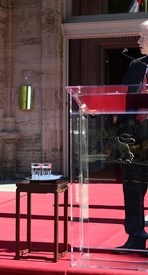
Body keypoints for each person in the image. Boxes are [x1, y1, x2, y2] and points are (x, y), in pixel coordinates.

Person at [116, 20, 148, 253]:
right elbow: (119, 98)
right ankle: (135, 239)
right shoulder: (136, 66)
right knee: (133, 190)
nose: (138, 42)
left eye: (142, 37)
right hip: (136, 141)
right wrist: (94, 108)